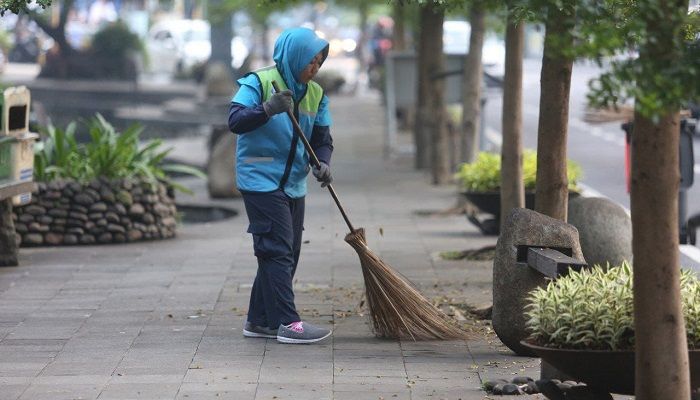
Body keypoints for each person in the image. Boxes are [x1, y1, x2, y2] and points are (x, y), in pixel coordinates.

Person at [228, 27, 334, 344]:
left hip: (294, 183)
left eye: (319, 62)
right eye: (309, 61)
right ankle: (288, 323)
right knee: (277, 250)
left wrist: (323, 162)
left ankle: (258, 321)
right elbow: (235, 120)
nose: (313, 68)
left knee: (286, 251)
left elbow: (322, 140)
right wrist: (267, 108)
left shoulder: (316, 94)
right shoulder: (258, 83)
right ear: (294, 56)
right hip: (259, 178)